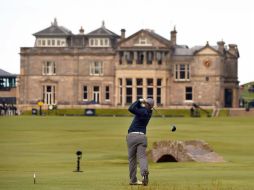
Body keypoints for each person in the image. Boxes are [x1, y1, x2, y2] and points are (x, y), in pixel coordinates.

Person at [126, 98, 154, 186]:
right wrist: (144, 103)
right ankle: (144, 173)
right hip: (142, 137)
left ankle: (133, 180)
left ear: (146, 105)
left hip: (132, 136)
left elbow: (131, 108)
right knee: (142, 157)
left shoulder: (142, 111)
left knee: (132, 159)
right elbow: (138, 107)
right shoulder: (149, 113)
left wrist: (139, 100)